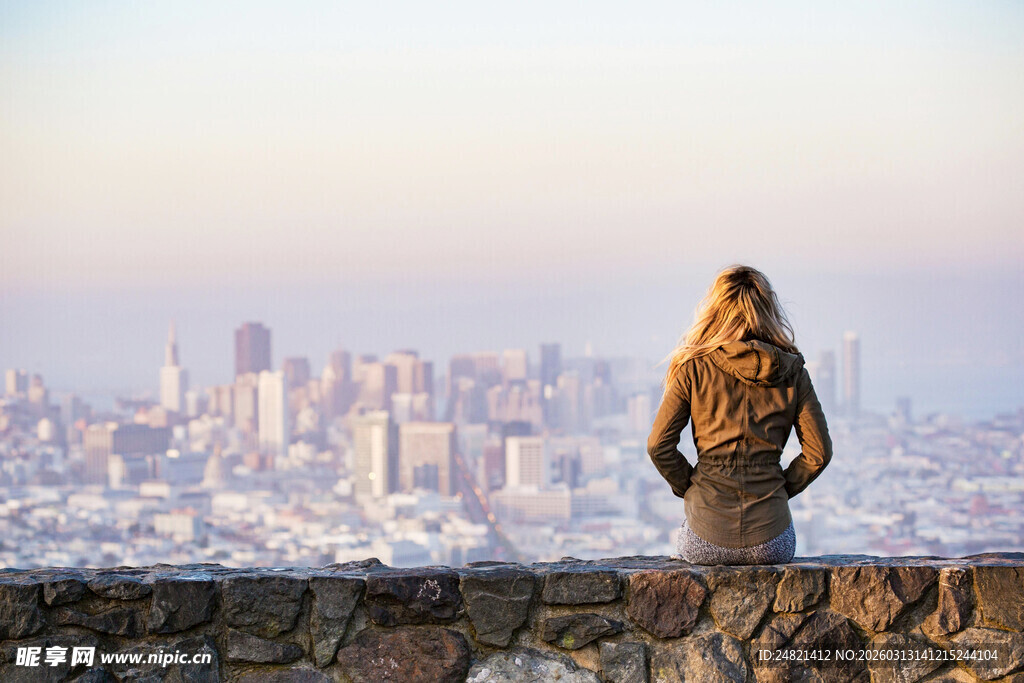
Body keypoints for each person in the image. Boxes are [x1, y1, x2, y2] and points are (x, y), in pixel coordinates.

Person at [647, 264, 832, 565]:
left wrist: (691, 486)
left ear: (715, 310)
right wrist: (779, 489)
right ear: (768, 309)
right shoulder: (793, 371)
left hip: (705, 536)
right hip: (772, 540)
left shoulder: (693, 368)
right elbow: (819, 453)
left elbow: (658, 446)